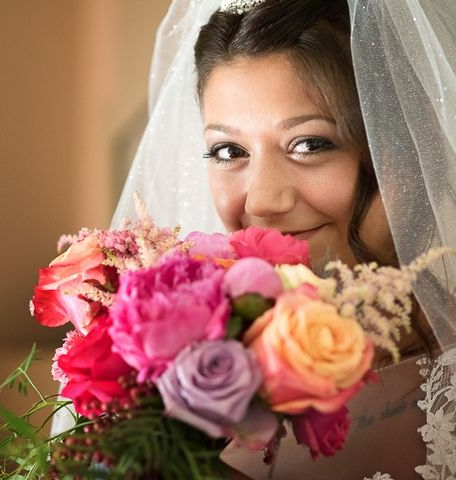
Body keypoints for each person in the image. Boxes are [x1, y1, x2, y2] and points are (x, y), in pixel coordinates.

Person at [112, 0, 456, 478]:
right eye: (229, 150)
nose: (263, 201)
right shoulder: (180, 381)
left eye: (310, 144)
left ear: (406, 147)